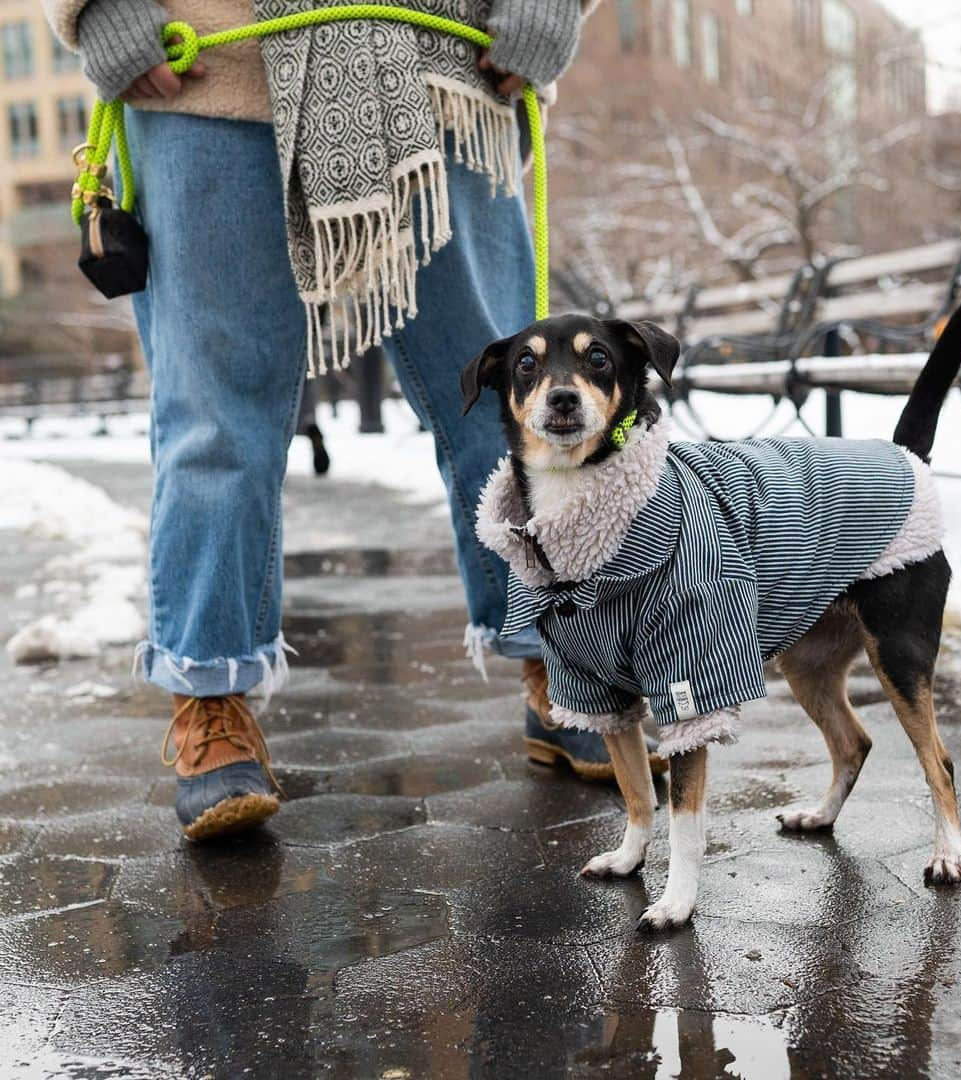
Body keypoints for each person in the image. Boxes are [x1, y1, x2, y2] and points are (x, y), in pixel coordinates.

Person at [44, 0, 662, 841]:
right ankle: (210, 695)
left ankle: (559, 664)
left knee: (508, 412)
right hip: (209, 73)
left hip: (445, 69)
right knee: (213, 424)